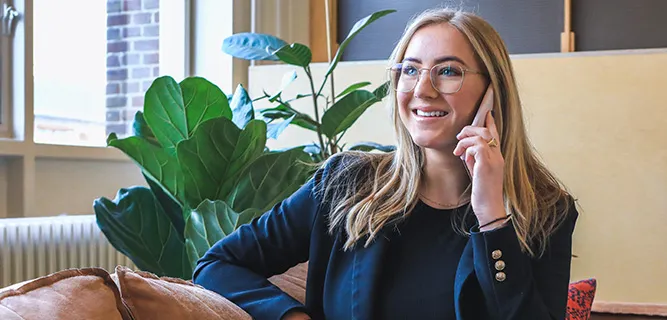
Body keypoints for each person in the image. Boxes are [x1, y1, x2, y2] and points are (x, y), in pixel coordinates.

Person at [193, 7, 579, 320]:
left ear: (493, 91)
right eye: (409, 70)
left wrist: (493, 218)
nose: (422, 90)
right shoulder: (344, 184)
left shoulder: (546, 210)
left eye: (448, 71)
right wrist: (290, 316)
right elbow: (217, 264)